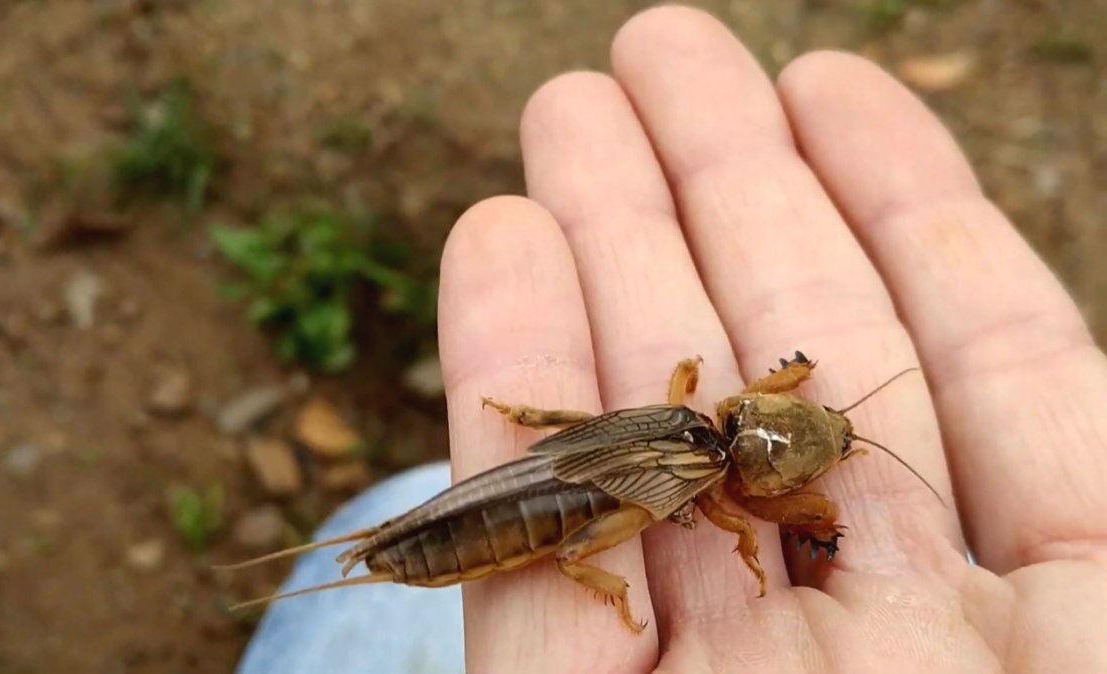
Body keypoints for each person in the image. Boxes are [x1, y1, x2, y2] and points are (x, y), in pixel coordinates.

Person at [237, 6, 1107, 673]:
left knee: (432, 517)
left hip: (528, 479)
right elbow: (758, 526)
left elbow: (702, 411)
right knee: (551, 539)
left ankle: (387, 531)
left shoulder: (693, 416)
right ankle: (401, 541)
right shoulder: (730, 495)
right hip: (541, 500)